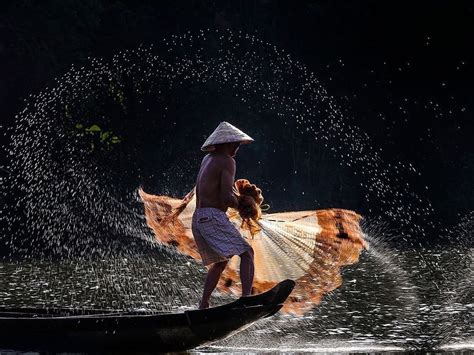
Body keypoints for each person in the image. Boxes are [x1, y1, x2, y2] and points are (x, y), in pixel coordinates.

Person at [192, 121, 255, 309]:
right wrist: (244, 209)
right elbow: (226, 196)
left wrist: (241, 202)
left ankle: (203, 304)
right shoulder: (228, 161)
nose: (237, 148)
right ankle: (246, 300)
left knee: (220, 261)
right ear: (225, 143)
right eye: (234, 144)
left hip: (198, 219)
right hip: (211, 217)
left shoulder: (208, 159)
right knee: (247, 253)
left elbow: (219, 191)